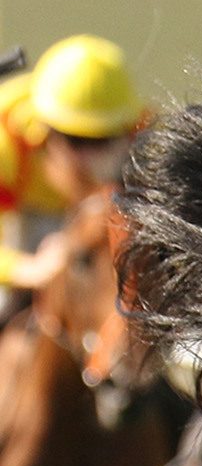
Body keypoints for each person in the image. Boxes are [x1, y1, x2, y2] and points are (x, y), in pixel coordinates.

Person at [0, 36, 144, 307]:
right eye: (74, 140)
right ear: (44, 131)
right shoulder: (6, 144)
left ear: (128, 129)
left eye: (102, 140)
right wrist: (28, 269)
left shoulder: (144, 133)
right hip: (18, 220)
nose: (88, 159)